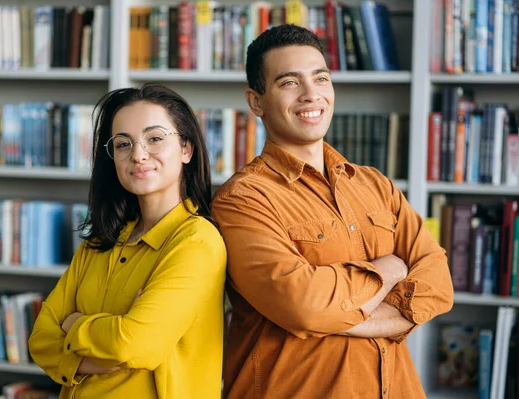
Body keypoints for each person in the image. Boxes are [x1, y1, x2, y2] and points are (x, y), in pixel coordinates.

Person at [212, 24, 454, 399]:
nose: (312, 94)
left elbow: (437, 283)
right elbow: (304, 307)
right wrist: (389, 270)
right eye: (289, 82)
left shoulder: (377, 186)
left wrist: (340, 314)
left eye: (321, 78)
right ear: (256, 101)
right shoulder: (243, 199)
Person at [28, 83, 227, 399]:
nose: (138, 154)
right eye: (123, 144)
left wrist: (75, 323)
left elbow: (135, 345)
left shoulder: (197, 243)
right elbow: (39, 340)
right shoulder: (99, 242)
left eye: (155, 139)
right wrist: (109, 339)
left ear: (186, 148)